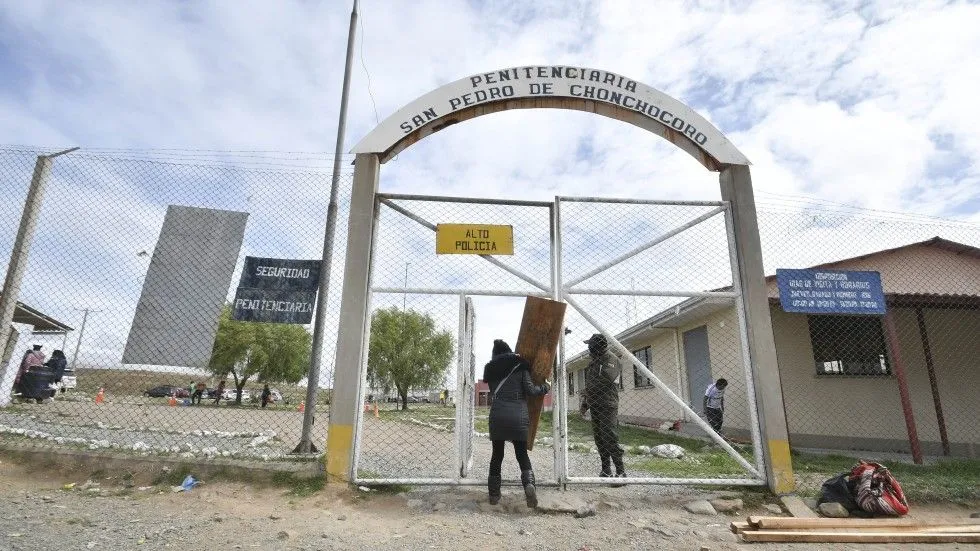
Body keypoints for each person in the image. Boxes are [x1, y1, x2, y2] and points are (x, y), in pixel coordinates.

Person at [483, 339, 550, 507]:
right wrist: (546, 387)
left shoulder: (490, 370)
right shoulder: (520, 365)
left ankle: (494, 495)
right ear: (509, 351)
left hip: (498, 415)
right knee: (521, 454)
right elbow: (531, 390)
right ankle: (529, 486)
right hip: (518, 416)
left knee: (497, 455)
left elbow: (494, 392)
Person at [579, 333, 626, 483]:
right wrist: (586, 403)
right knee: (599, 438)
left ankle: (621, 472)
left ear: (597, 346)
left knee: (609, 437)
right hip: (595, 404)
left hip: (607, 404)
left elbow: (606, 379)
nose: (589, 349)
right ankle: (606, 470)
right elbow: (591, 383)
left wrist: (587, 391)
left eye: (590, 346)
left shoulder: (611, 359)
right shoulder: (594, 362)